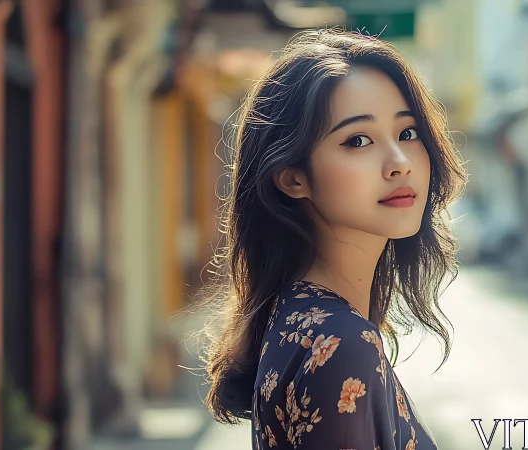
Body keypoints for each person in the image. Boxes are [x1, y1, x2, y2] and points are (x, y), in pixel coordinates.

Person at [200, 27, 467, 450]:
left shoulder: (296, 317)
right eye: (358, 140)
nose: (400, 162)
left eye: (407, 133)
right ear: (293, 178)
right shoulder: (340, 343)